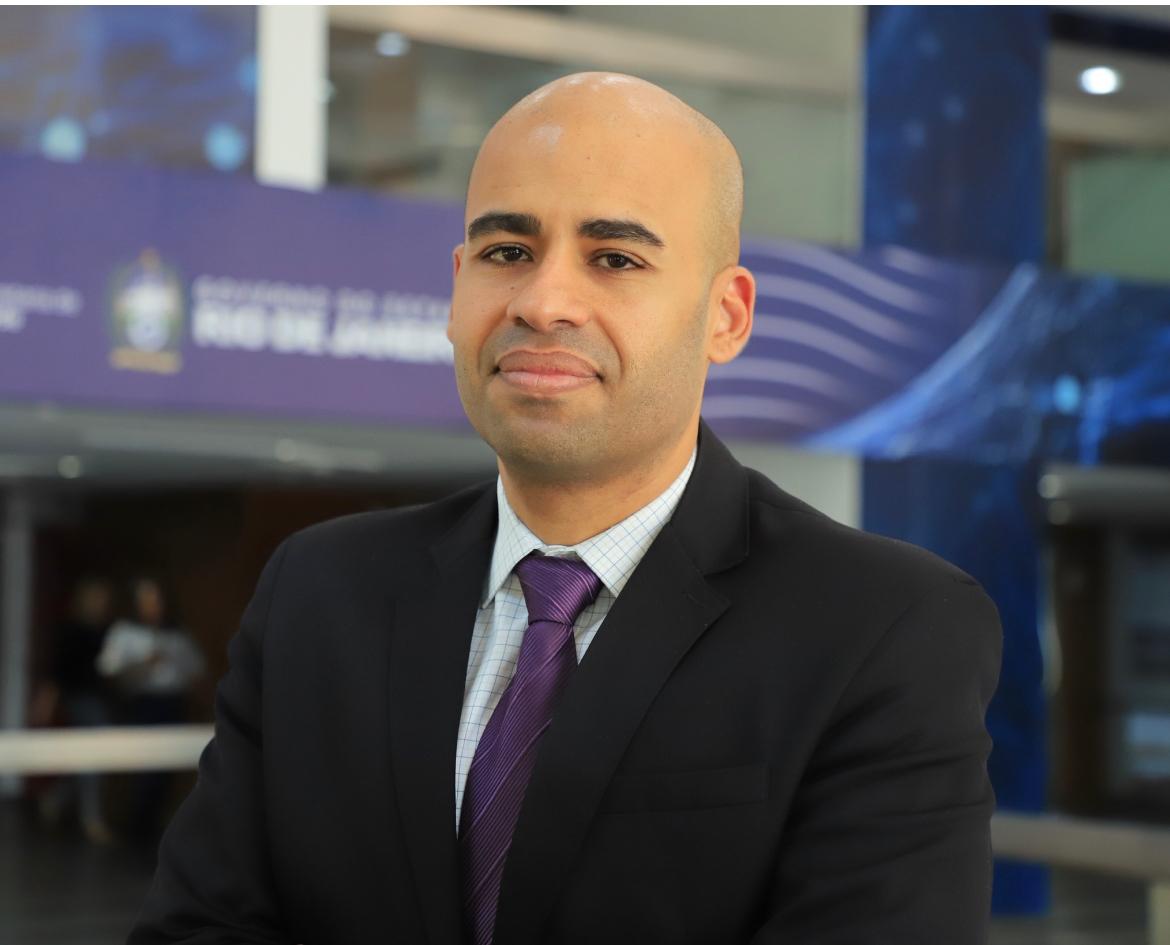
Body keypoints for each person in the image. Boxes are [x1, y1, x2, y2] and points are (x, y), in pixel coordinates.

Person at [128, 73, 1002, 944]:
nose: (542, 302)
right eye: (507, 251)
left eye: (614, 258)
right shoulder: (318, 592)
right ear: (458, 287)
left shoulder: (884, 628)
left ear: (727, 316)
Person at [98, 576, 206, 842]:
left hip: (171, 703)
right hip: (139, 703)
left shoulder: (177, 634)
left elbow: (196, 671)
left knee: (164, 769)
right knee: (140, 766)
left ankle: (152, 825)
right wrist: (143, 664)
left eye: (156, 601)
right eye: (146, 601)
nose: (152, 607)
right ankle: (133, 826)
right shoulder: (124, 632)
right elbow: (109, 672)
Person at [32, 576, 118, 845]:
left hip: (101, 699)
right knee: (93, 755)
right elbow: (57, 671)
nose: (99, 603)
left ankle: (55, 797)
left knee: (89, 757)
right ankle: (91, 819)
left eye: (102, 598)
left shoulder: (108, 631)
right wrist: (46, 701)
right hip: (79, 699)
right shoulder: (71, 630)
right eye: (94, 597)